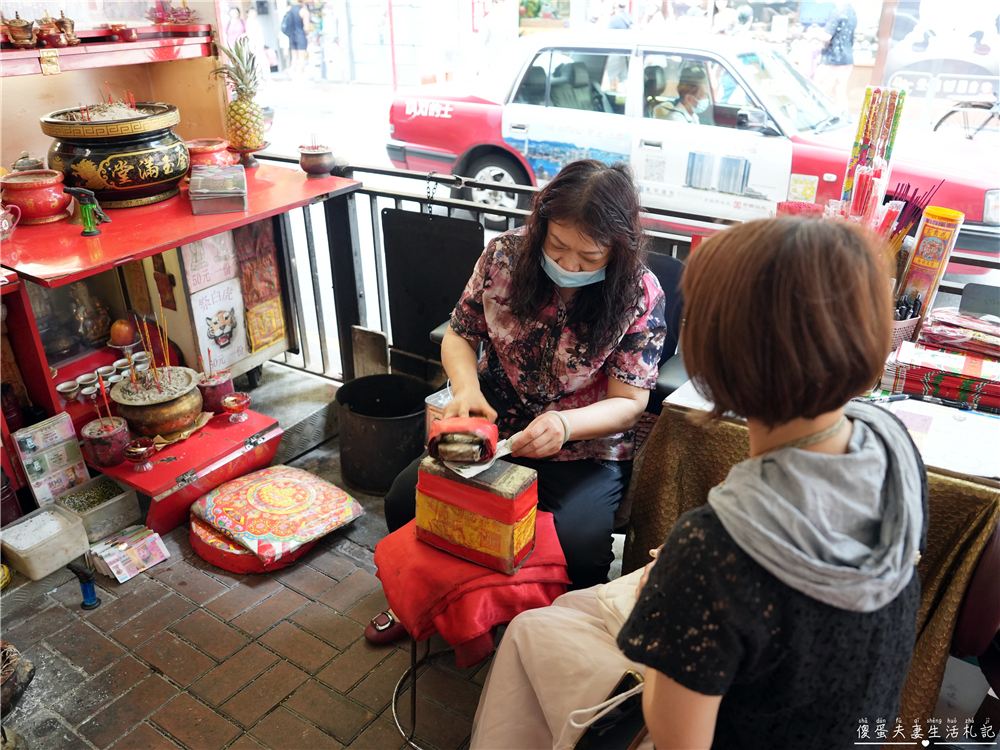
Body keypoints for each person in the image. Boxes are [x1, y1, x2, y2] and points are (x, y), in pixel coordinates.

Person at [470, 217, 926, 750]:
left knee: (532, 633)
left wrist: (668, 601)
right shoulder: (891, 441)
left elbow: (676, 738)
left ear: (718, 358)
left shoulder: (712, 551)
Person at [369, 161, 667, 644]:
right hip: (497, 429)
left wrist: (565, 426)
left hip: (582, 450)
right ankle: (422, 602)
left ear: (619, 247)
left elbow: (630, 400)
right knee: (408, 498)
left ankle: (550, 639)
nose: (570, 266)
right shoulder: (503, 258)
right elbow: (459, 335)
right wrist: (465, 389)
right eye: (557, 247)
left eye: (589, 257)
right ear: (540, 226)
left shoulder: (639, 294)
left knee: (577, 546)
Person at [812, 0, 857, 111]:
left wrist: (813, 34)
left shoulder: (837, 12)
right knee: (839, 89)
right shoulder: (852, 11)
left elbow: (827, 36)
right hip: (847, 57)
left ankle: (814, 116)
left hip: (833, 59)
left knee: (817, 88)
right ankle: (843, 116)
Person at [282, 0, 310, 79]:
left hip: (291, 35)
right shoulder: (304, 11)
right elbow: (307, 28)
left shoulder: (290, 8)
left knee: (294, 57)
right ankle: (302, 77)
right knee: (302, 57)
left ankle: (293, 77)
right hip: (300, 35)